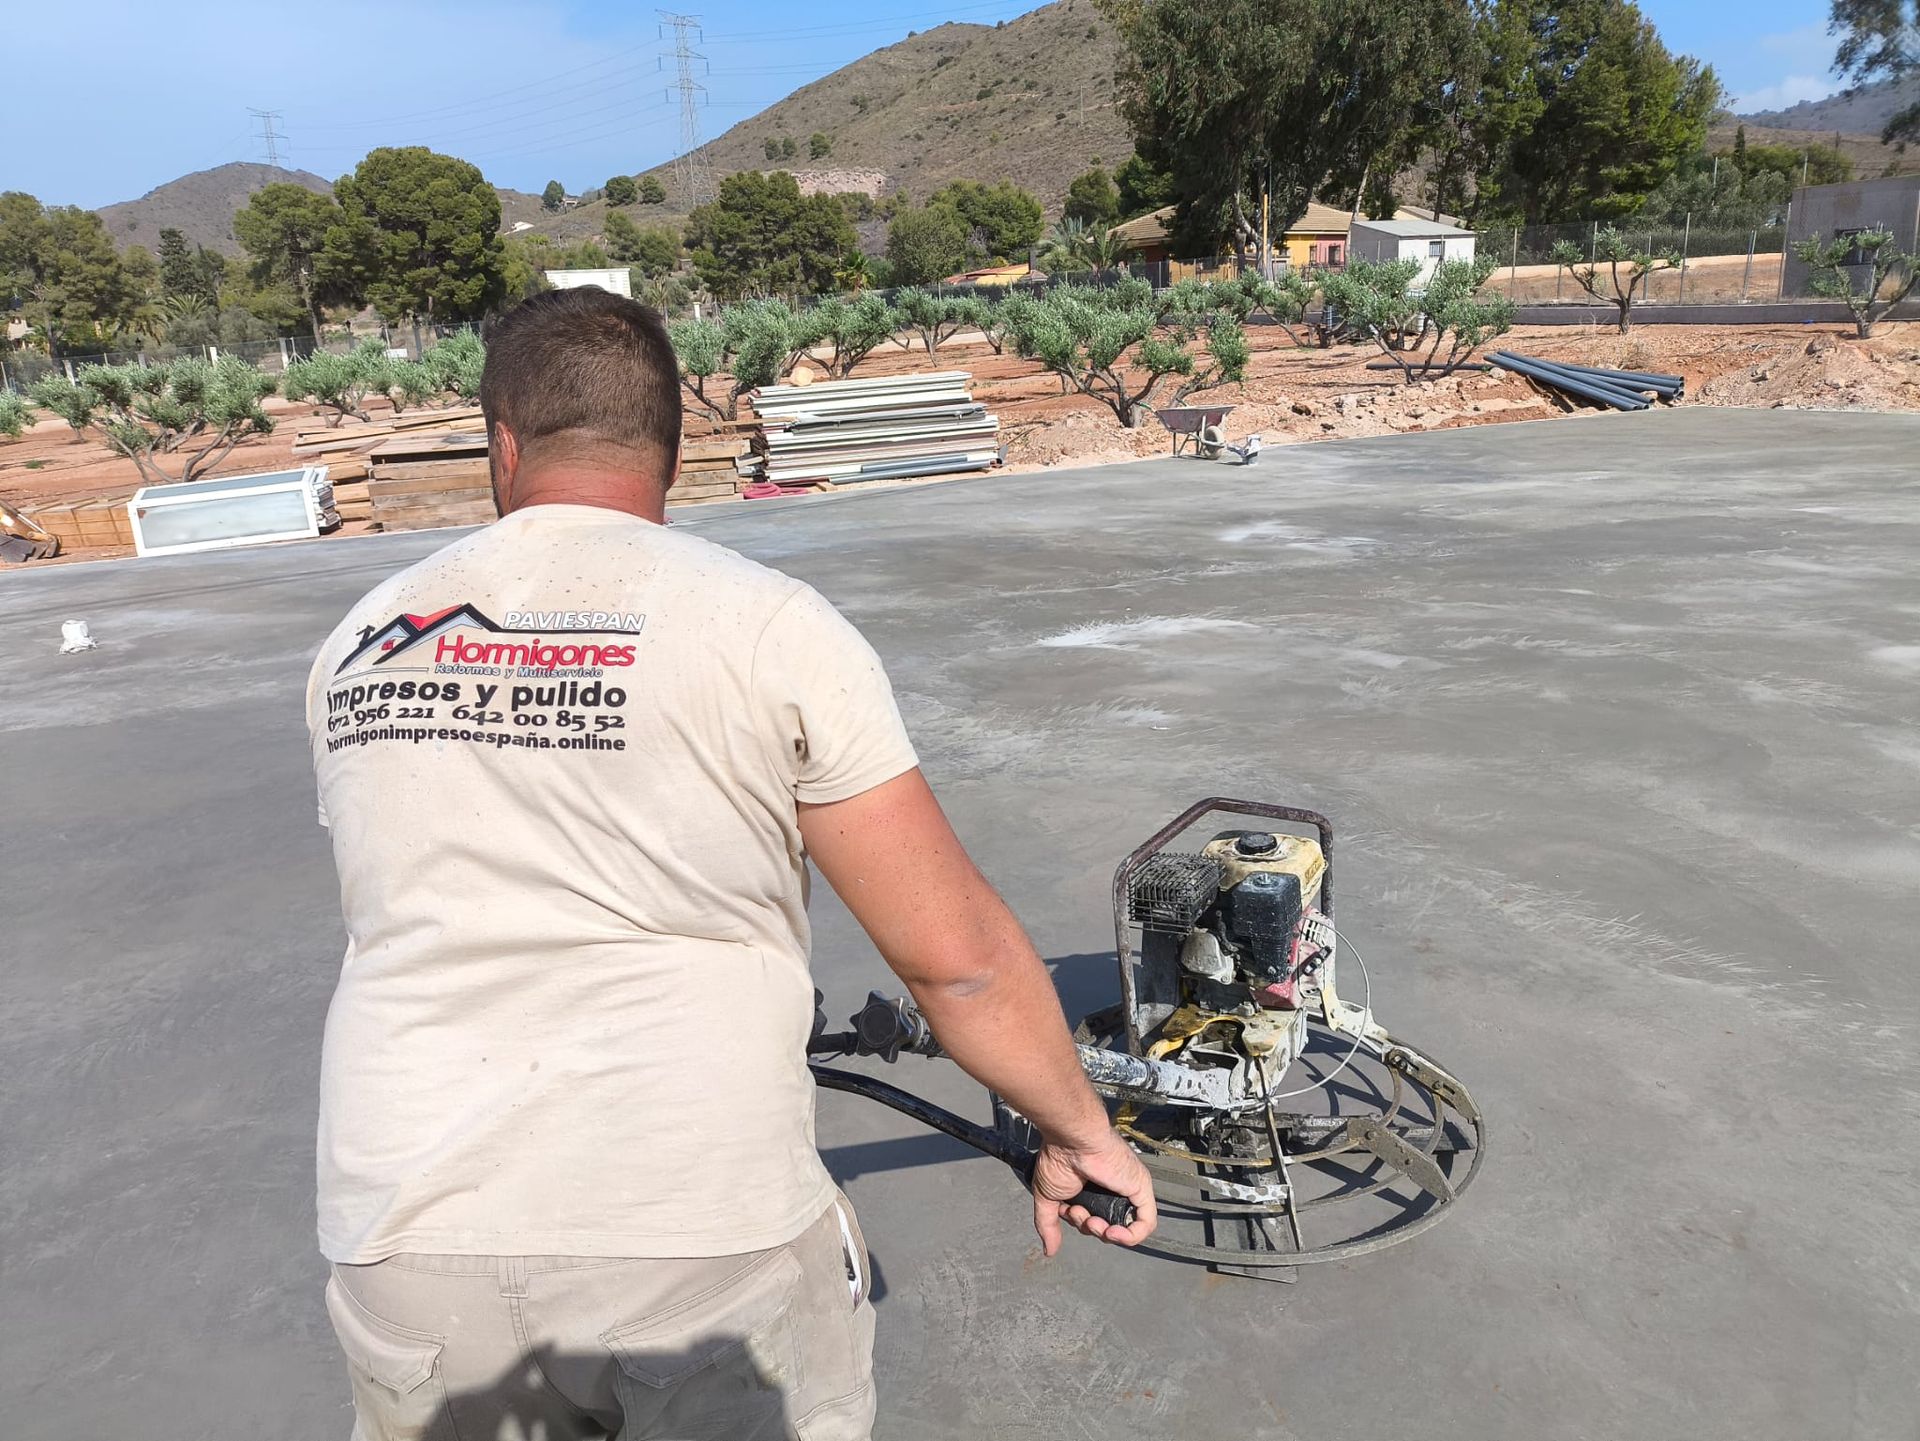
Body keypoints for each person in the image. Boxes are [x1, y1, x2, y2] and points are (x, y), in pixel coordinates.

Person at [303, 286, 1156, 1441]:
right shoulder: (764, 626)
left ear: (501, 441)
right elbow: (956, 963)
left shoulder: (360, 639)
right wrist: (1078, 1130)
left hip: (404, 1232)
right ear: (673, 445)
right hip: (691, 1233)